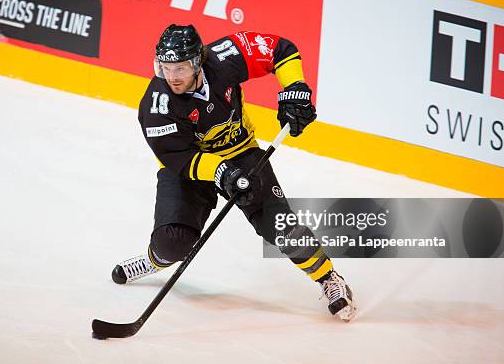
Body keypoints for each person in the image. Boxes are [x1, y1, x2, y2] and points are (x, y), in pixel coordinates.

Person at [111, 24, 357, 321]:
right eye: (166, 67)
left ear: (198, 62)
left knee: (282, 228)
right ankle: (154, 260)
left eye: (180, 68)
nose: (172, 77)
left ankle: (329, 278)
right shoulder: (156, 105)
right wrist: (221, 172)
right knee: (171, 244)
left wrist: (294, 88)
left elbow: (279, 49)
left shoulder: (223, 58)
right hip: (190, 169)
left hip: (242, 153)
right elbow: (179, 157)